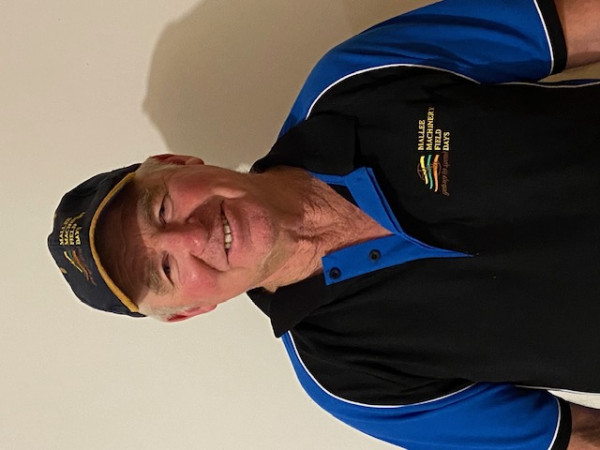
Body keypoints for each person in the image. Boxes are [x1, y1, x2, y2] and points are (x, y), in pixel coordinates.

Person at [48, 0, 600, 448]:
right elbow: (578, 439)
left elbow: (581, 22)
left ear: (177, 163)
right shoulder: (349, 380)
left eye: (161, 210)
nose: (193, 236)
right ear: (190, 310)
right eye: (166, 270)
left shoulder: (351, 82)